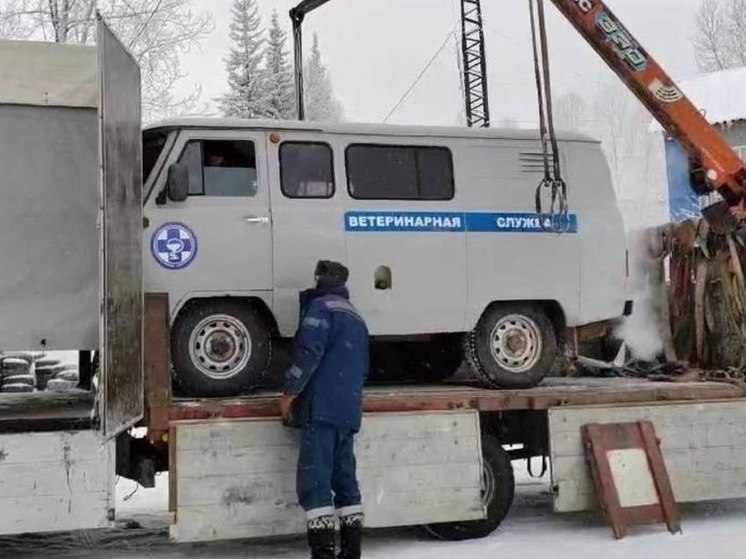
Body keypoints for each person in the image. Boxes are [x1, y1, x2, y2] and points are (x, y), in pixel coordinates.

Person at [280, 260, 370, 559]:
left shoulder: (321, 308)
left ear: (320, 278)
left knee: (314, 481)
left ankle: (322, 553)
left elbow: (309, 353)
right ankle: (351, 550)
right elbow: (363, 367)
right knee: (345, 479)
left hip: (322, 409)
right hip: (348, 410)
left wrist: (289, 392)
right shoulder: (355, 316)